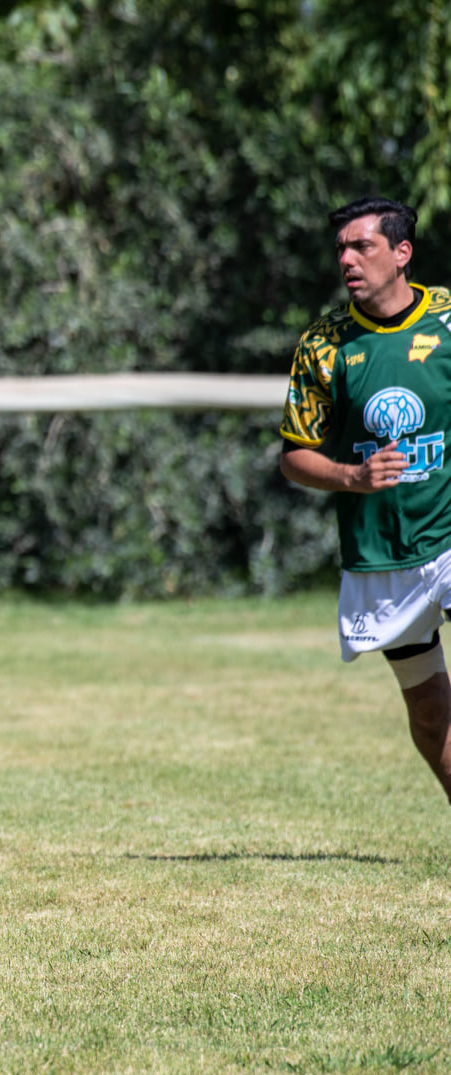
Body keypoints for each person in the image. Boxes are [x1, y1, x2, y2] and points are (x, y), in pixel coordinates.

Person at [281, 196, 451, 802]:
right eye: (342, 250)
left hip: (449, 536)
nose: (347, 260)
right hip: (383, 555)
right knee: (431, 711)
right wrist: (352, 477)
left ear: (402, 253)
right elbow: (294, 454)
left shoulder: (449, 320)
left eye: (363, 247)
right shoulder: (325, 344)